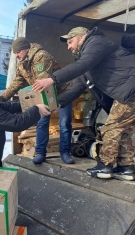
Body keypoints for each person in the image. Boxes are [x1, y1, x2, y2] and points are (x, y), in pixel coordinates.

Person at [33, 27, 135, 180]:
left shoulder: (96, 43)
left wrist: (52, 79)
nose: (69, 47)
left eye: (70, 41)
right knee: (125, 129)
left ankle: (105, 166)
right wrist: (58, 104)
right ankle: (126, 167)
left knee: (111, 128)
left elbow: (83, 64)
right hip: (129, 91)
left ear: (82, 36)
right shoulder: (87, 59)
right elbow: (78, 87)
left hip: (131, 89)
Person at [0, 37, 74, 165]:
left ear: (26, 49)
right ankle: (40, 153)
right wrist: (2, 98)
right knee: (42, 122)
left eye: (18, 52)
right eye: (15, 53)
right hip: (44, 92)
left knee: (64, 123)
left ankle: (65, 152)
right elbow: (17, 83)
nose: (16, 55)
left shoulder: (41, 56)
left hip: (61, 93)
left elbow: (42, 81)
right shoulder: (22, 63)